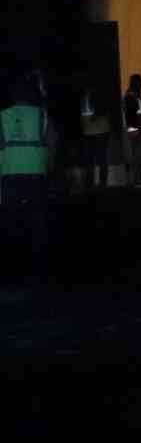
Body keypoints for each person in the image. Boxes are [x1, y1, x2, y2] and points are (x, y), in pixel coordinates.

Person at [2, 72, 52, 285]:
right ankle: (38, 268)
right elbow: (52, 141)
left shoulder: (2, 116)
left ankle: (13, 266)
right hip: (35, 174)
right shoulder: (41, 115)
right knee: (37, 221)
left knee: (11, 221)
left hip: (9, 175)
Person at [79, 83, 112, 189]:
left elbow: (100, 111)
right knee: (98, 159)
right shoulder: (89, 97)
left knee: (94, 159)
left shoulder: (89, 98)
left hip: (94, 132)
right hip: (96, 132)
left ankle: (94, 183)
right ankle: (98, 183)